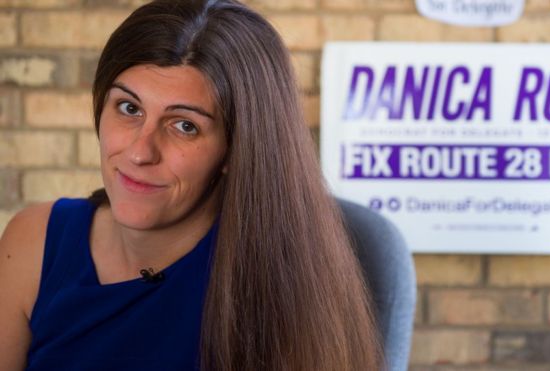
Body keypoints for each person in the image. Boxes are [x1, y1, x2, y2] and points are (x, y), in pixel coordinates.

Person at [0, 0, 383, 370]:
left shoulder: (287, 282)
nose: (139, 152)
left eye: (185, 125)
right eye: (129, 108)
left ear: (238, 148)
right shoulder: (35, 240)